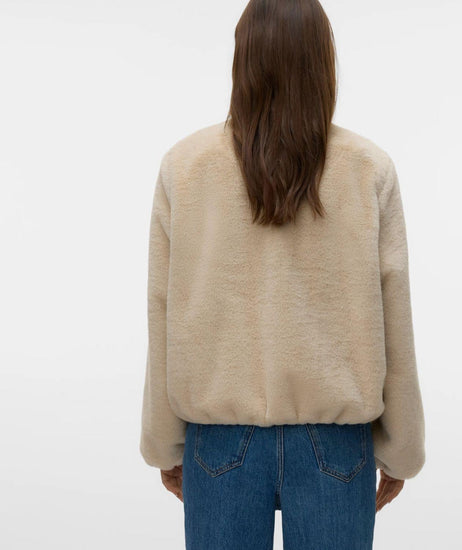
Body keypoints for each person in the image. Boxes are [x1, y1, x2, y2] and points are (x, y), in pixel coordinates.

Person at [139, 0, 426, 548]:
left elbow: (164, 310)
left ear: (243, 58)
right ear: (322, 60)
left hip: (218, 442)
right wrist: (402, 449)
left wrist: (162, 442)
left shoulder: (185, 166)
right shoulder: (368, 168)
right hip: (336, 444)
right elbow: (395, 315)